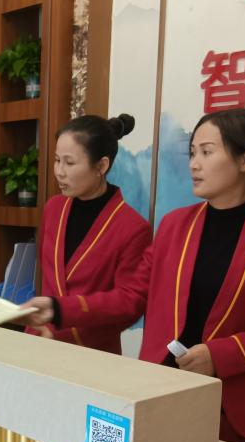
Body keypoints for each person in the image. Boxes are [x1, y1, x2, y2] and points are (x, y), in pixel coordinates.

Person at [26, 107, 245, 442]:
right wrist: (57, 308)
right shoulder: (175, 226)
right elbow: (132, 295)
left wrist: (222, 355)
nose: (194, 164)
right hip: (166, 393)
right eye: (192, 153)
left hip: (244, 409)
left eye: (207, 152)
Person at [22, 114, 152, 354]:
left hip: (91, 353)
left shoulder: (132, 227)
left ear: (101, 166)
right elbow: (47, 280)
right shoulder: (53, 209)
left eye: (70, 163)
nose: (59, 172)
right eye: (57, 160)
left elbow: (130, 302)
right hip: (40, 341)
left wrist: (60, 311)